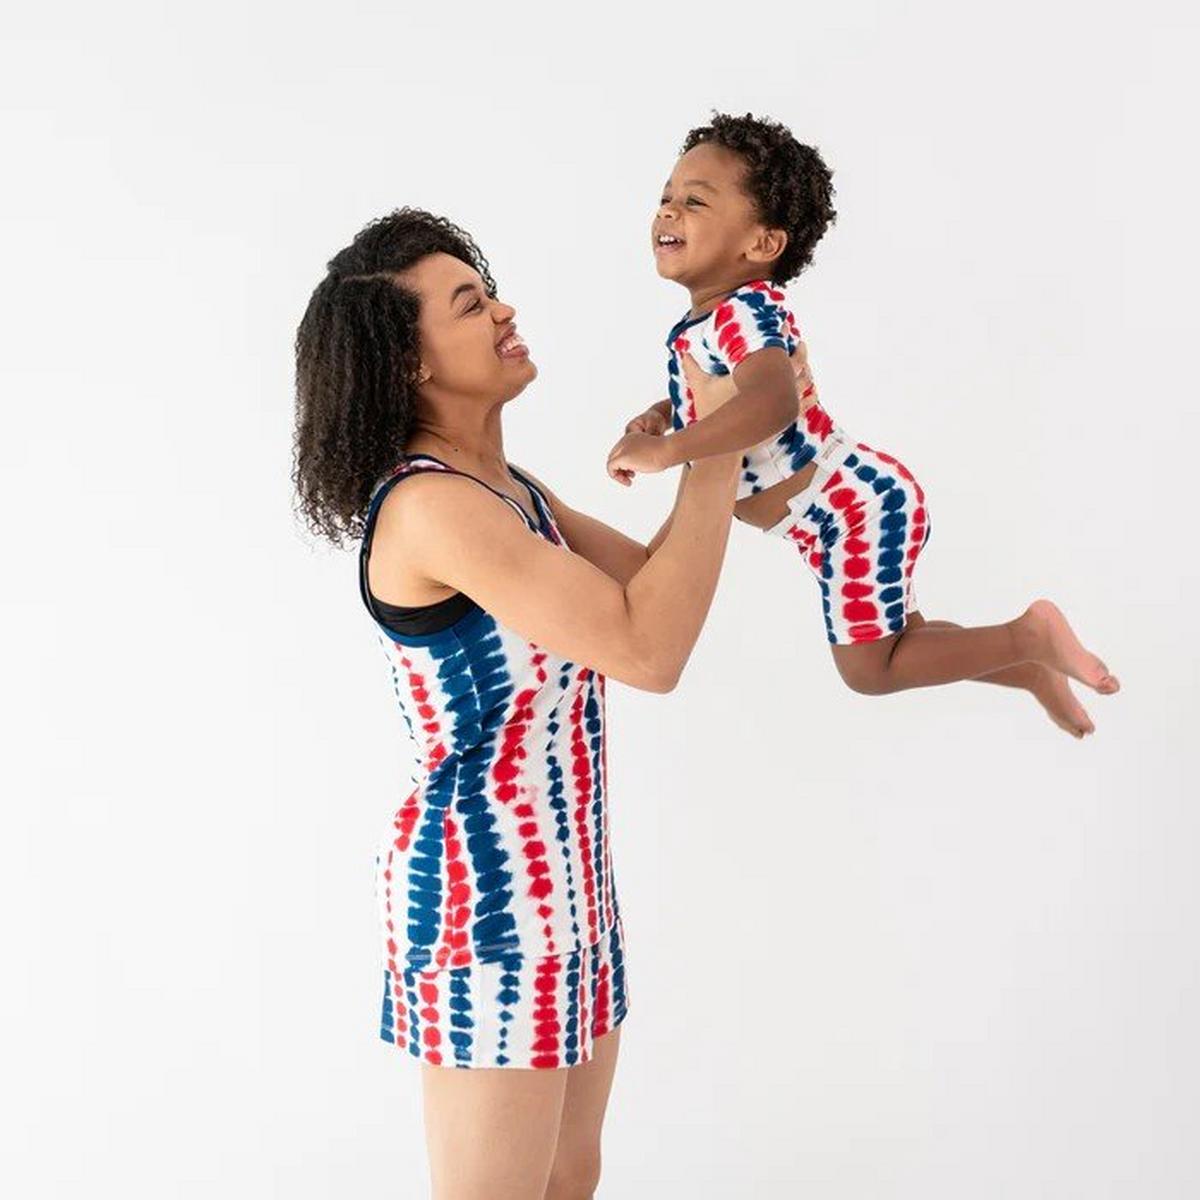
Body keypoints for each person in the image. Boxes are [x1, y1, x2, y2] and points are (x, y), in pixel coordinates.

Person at [293, 208, 805, 1199]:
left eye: (488, 292)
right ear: (410, 362)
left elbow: (655, 587)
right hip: (484, 907)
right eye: (469, 305)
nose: (503, 311)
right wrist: (711, 444)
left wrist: (703, 437)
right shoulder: (430, 507)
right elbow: (648, 650)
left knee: (569, 1181)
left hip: (569, 886)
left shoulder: (508, 488)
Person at [607, 111, 1120, 738]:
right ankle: (1028, 664)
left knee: (870, 670)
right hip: (834, 512)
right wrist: (663, 415)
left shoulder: (744, 312)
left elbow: (772, 403)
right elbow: (720, 392)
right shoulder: (713, 321)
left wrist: (667, 454)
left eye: (694, 201)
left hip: (851, 509)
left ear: (762, 245)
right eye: (665, 197)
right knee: (904, 643)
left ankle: (1029, 636)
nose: (667, 211)